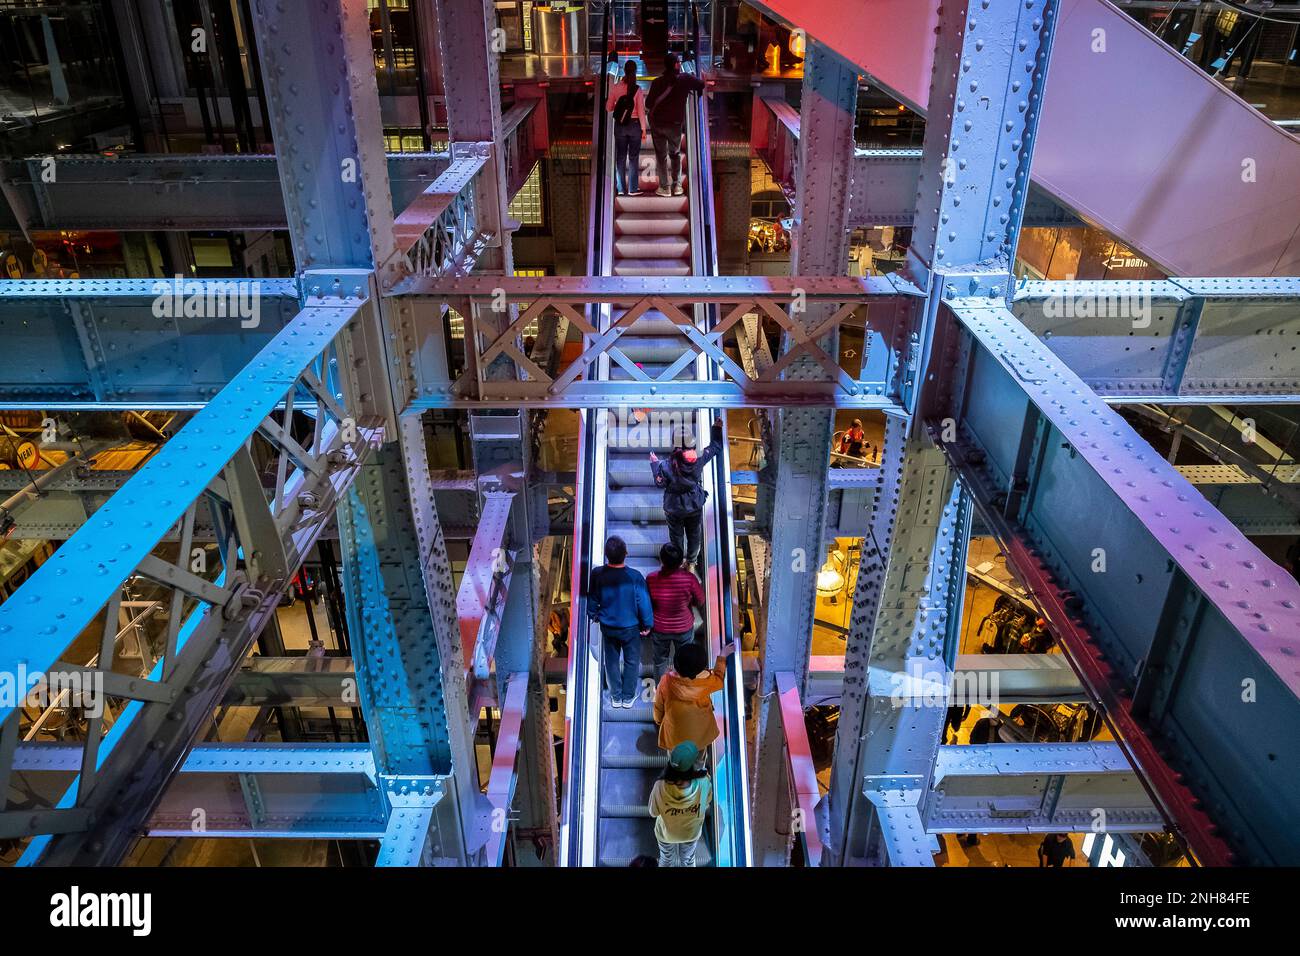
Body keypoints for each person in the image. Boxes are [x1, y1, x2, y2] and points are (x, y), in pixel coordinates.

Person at [649, 417, 724, 571]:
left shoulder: (666, 465)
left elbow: (659, 483)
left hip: (673, 507)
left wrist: (654, 464)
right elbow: (716, 446)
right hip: (694, 504)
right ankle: (691, 563)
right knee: (694, 535)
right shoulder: (699, 458)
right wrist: (716, 428)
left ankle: (676, 561)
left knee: (676, 536)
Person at [587, 535, 653, 708]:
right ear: (626, 553)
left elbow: (593, 597)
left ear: (606, 555)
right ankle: (628, 697)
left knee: (611, 661)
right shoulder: (635, 576)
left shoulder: (597, 574)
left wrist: (592, 613)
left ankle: (615, 697)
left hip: (608, 626)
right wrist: (647, 623)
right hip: (630, 627)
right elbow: (643, 601)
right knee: (632, 661)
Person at [653, 640, 734, 754]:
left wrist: (658, 721)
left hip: (675, 736)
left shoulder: (666, 681)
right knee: (699, 756)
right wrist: (722, 657)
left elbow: (659, 706)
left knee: (677, 760)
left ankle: (677, 769)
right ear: (701, 668)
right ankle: (699, 769)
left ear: (676, 663)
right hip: (699, 736)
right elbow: (719, 679)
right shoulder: (706, 681)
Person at [645, 53, 706, 197]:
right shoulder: (685, 79)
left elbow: (648, 104)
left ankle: (664, 188)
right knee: (675, 154)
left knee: (661, 156)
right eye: (678, 62)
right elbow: (701, 84)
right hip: (675, 125)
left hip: (658, 124)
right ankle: (677, 186)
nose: (679, 64)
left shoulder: (657, 82)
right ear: (676, 65)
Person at [646, 542, 705, 682]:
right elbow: (701, 600)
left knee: (660, 660)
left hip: (659, 627)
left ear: (661, 559)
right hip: (684, 628)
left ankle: (660, 689)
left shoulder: (651, 578)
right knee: (685, 659)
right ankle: (681, 686)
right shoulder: (689, 579)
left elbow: (646, 602)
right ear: (681, 562)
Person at [648, 741, 712, 867]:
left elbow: (653, 812)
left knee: (666, 860)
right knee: (688, 860)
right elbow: (704, 806)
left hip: (666, 834)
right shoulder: (704, 783)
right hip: (691, 834)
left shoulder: (660, 786)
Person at [607, 59, 648, 196]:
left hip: (620, 126)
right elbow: (641, 111)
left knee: (620, 157)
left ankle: (620, 188)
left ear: (624, 71)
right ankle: (632, 188)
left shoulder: (615, 87)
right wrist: (643, 129)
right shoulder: (637, 89)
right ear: (635, 71)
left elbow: (608, 108)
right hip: (635, 126)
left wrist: (616, 105)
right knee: (633, 157)